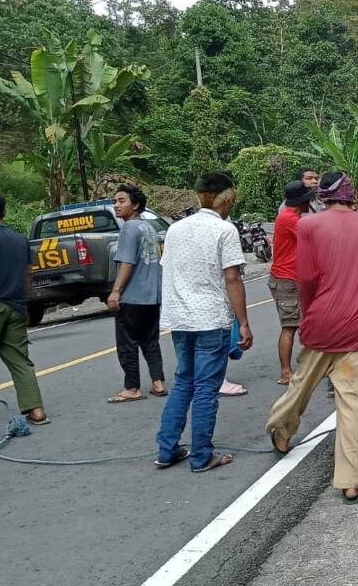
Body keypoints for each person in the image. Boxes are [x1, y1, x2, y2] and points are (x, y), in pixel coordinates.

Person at [266, 171, 358, 502]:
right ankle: (349, 480)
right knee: (354, 405)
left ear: (322, 196)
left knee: (301, 385)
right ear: (352, 196)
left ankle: (281, 429)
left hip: (320, 323)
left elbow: (306, 280)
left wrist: (310, 316)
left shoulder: (307, 226)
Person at [154, 172, 253, 473]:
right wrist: (244, 323)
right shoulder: (224, 230)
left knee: (184, 381)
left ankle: (167, 449)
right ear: (227, 197)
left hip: (181, 319)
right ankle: (201, 456)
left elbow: (169, 271)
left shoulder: (175, 229)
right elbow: (232, 278)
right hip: (211, 318)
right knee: (207, 387)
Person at [0, 191, 48, 424]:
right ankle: (36, 410)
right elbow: (28, 274)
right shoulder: (19, 238)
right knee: (20, 361)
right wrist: (23, 303)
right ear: (4, 211)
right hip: (16, 306)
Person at [106, 184, 166, 402]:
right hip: (152, 295)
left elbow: (127, 262)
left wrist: (115, 291)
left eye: (121, 201)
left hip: (133, 296)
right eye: (115, 201)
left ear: (136, 204)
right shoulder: (148, 228)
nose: (116, 205)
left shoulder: (129, 228)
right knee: (150, 341)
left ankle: (132, 387)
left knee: (127, 343)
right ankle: (158, 382)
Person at [269, 179, 314, 385]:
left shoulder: (291, 216)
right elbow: (313, 238)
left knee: (302, 323)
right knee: (290, 326)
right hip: (286, 279)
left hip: (293, 277)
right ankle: (285, 372)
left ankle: (305, 366)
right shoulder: (289, 218)